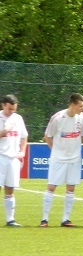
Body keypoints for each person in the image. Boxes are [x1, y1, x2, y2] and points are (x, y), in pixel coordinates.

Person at [41, 93, 83, 227]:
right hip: (58, 158)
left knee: (71, 188)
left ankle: (65, 219)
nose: (82, 109)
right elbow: (47, 136)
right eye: (80, 106)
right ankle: (44, 219)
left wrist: (74, 148)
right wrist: (56, 150)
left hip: (74, 158)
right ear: (72, 105)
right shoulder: (57, 118)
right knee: (51, 187)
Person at [0, 95, 28, 227]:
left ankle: (10, 219)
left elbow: (24, 136)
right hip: (0, 156)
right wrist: (5, 130)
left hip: (13, 158)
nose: (12, 111)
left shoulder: (18, 118)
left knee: (10, 188)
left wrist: (22, 151)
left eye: (14, 109)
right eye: (10, 109)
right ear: (3, 105)